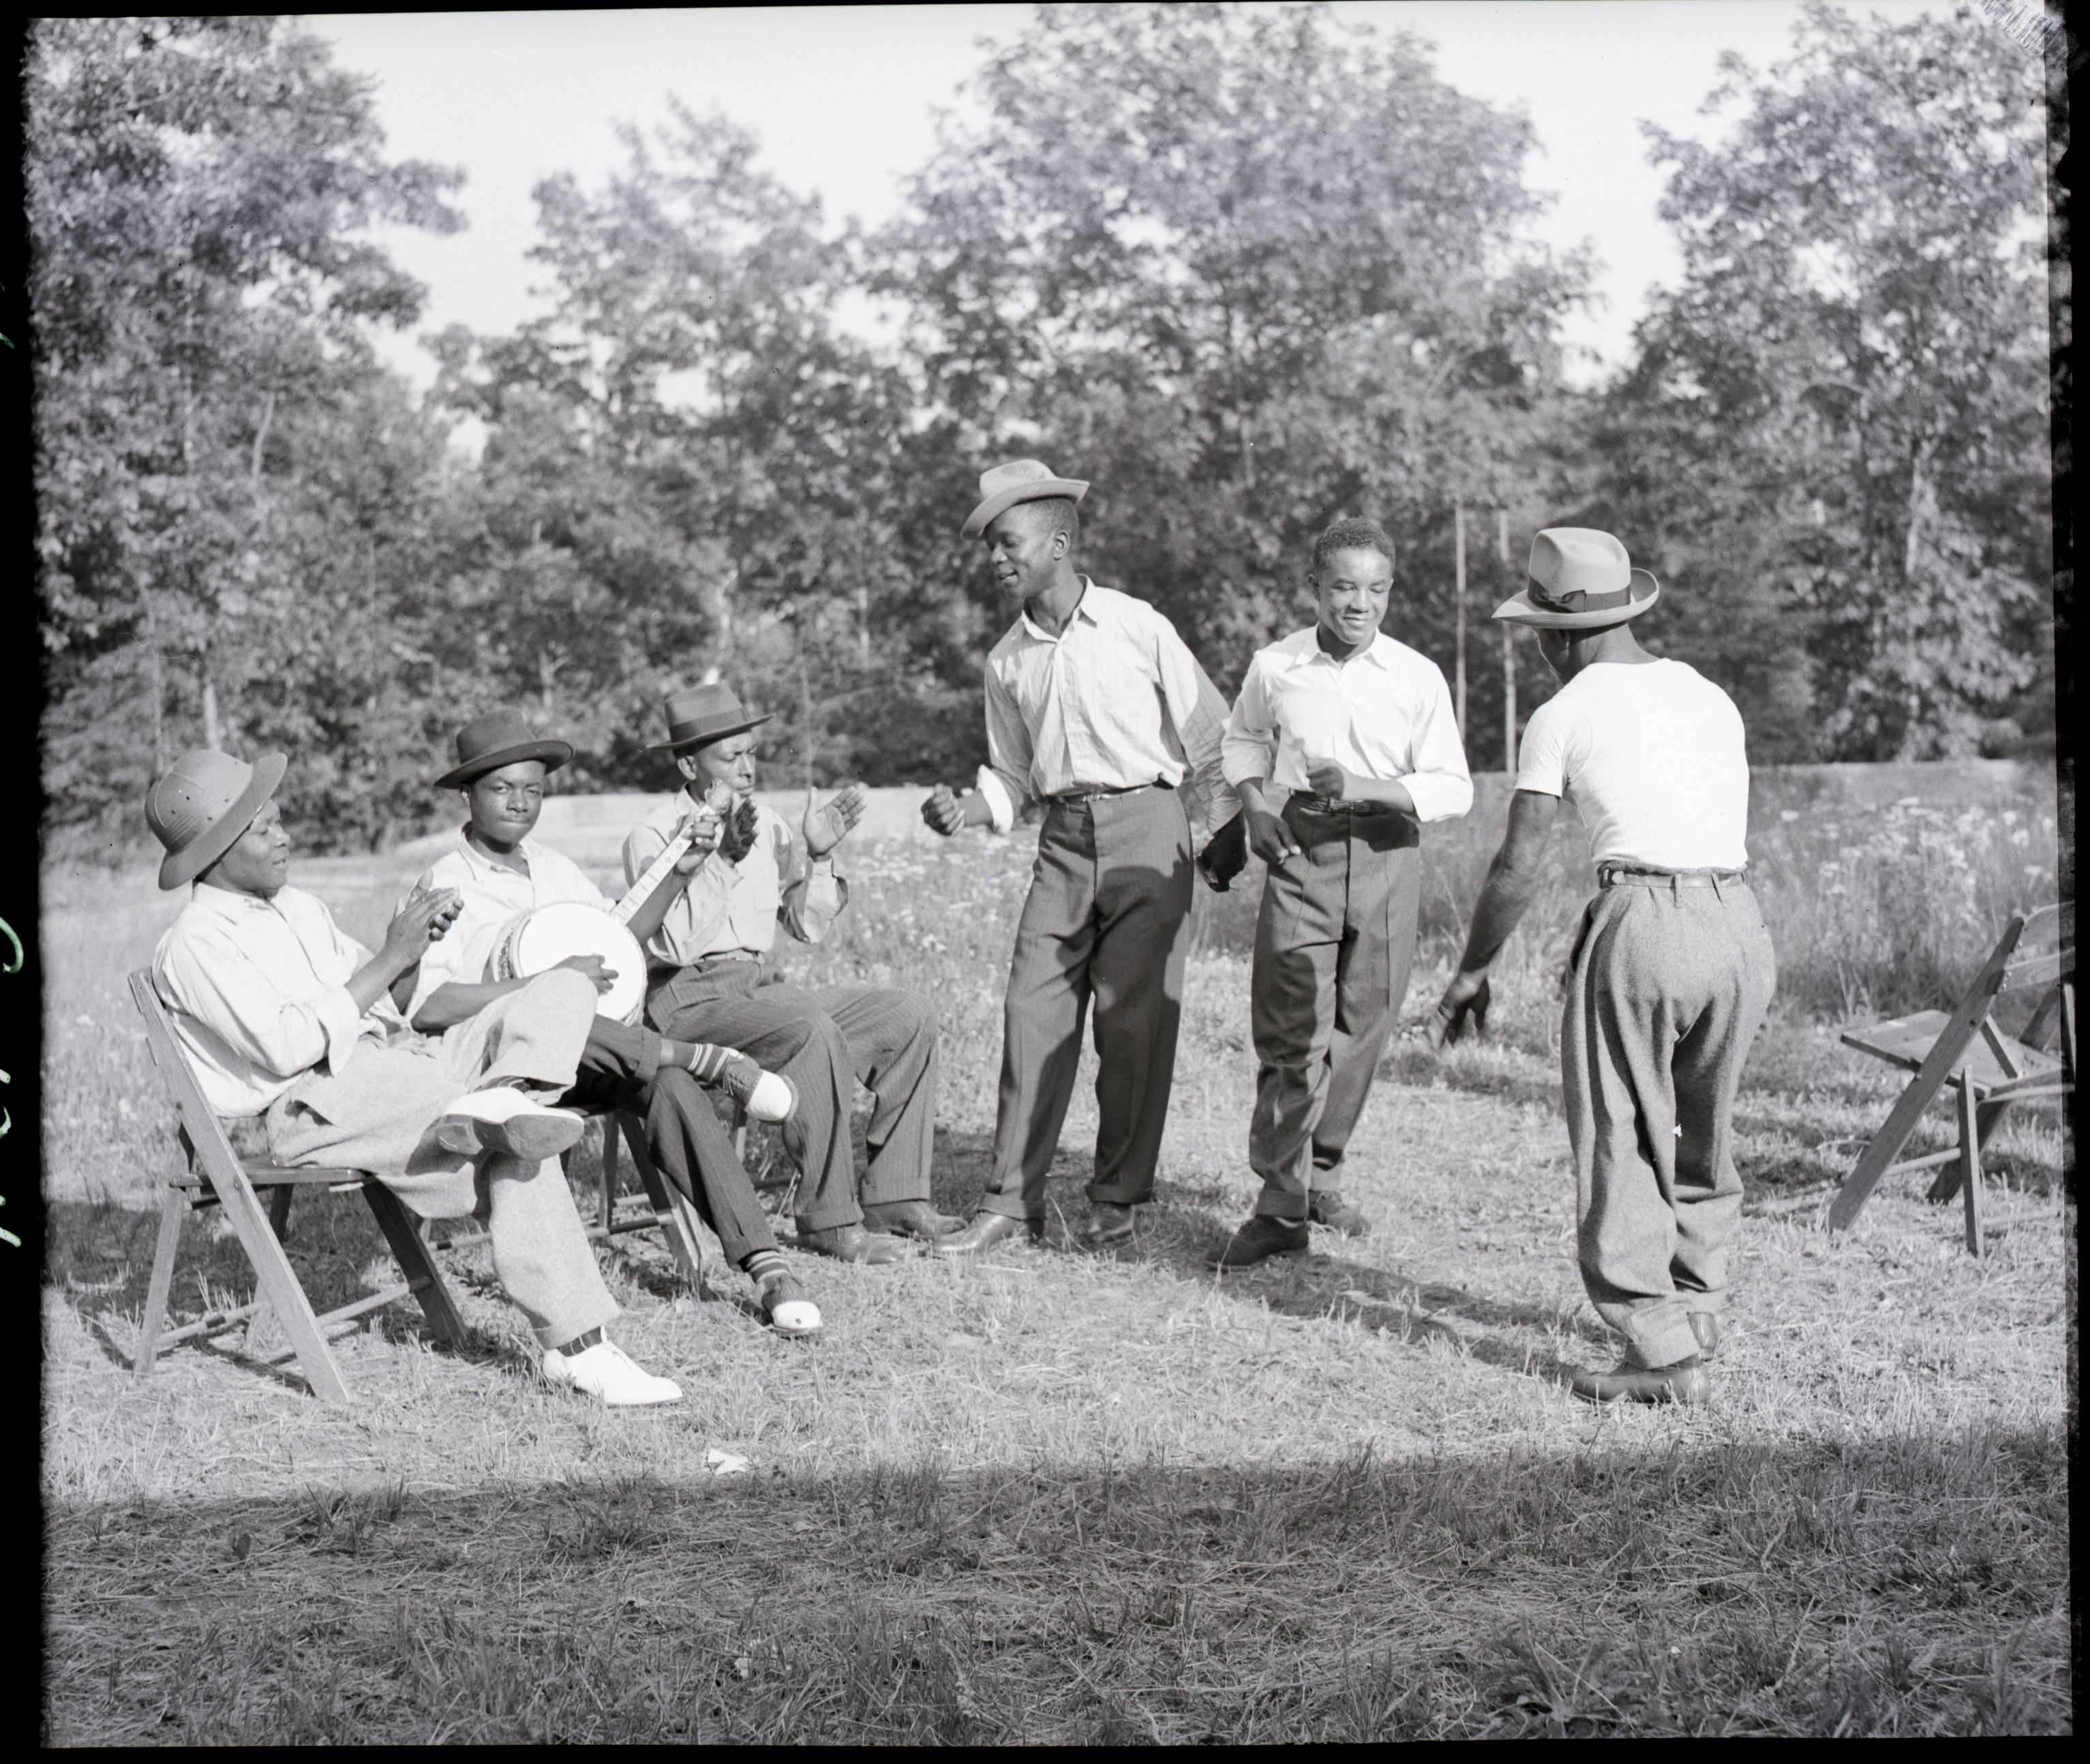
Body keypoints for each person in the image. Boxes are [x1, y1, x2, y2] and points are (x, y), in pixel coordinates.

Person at [145, 746, 684, 1405]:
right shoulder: (197, 941)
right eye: (264, 828)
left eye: (279, 820)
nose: (284, 836)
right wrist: (394, 953)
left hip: (397, 1063)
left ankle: (503, 1099)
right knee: (512, 1135)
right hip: (316, 1097)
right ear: (216, 850)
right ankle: (579, 1346)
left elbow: (388, 1000)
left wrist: (416, 945)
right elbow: (286, 1047)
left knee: (563, 984)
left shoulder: (298, 905)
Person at [1431, 528, 1775, 1405]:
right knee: (1707, 1124)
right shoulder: (1707, 692)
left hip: (1645, 922)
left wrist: (1473, 970)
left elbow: (1518, 867)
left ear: (1555, 634)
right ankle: (1697, 1306)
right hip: (1739, 920)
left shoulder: (1563, 713)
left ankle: (1659, 1352)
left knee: (1619, 1131)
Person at [402, 708, 823, 1340]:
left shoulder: (553, 868)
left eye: (534, 790)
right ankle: (706, 1058)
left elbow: (621, 938)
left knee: (666, 1087)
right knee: (570, 1007)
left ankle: (765, 1266)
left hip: (587, 1055)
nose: (519, 803)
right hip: (504, 1074)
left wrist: (676, 879)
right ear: (467, 794)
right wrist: (548, 983)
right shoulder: (445, 881)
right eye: (500, 788)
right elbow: (429, 1008)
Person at [922, 458, 1238, 1254]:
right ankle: (1008, 1201)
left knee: (1134, 1024)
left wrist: (1210, 837)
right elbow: (1015, 774)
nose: (997, 559)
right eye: (990, 546)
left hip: (1148, 828)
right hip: (1062, 843)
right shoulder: (1006, 659)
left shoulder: (1139, 626)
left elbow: (1213, 739)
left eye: (1010, 542)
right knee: (1032, 1010)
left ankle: (1117, 1198)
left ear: (1059, 542)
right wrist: (969, 807)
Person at [1209, 517, 1472, 1268]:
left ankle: (1321, 1172)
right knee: (1292, 1025)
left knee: (1365, 1023)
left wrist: (1365, 785)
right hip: (1303, 845)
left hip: (1389, 848)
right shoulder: (1277, 665)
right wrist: (1255, 805)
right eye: (1345, 588)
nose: (1361, 604)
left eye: (1377, 589)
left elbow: (1452, 787)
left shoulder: (1416, 675)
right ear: (1316, 589)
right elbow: (1242, 740)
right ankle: (1279, 1201)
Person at [628, 682, 956, 1263]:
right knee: (805, 1022)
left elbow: (806, 926)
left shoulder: (768, 824)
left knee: (907, 1013)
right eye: (731, 758)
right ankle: (829, 1221)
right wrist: (721, 860)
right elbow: (673, 943)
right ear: (688, 764)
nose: (748, 767)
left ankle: (896, 1195)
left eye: (752, 753)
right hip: (685, 1000)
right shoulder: (654, 833)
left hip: (755, 989)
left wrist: (821, 856)